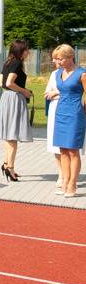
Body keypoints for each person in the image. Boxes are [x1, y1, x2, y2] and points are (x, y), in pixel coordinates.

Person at [49, 44, 85, 198]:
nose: (58, 62)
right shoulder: (57, 74)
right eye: (56, 59)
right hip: (60, 113)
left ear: (71, 57)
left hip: (75, 114)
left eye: (60, 59)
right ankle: (64, 181)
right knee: (62, 150)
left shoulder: (82, 74)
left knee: (73, 150)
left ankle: (72, 183)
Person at [0, 39, 33, 182]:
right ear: (21, 51)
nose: (28, 52)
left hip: (6, 98)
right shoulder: (17, 63)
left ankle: (6, 164)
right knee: (13, 136)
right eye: (27, 49)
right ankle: (10, 168)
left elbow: (0, 83)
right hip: (14, 99)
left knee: (8, 134)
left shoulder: (7, 62)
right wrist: (24, 91)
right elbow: (8, 83)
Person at [45, 53, 63, 191]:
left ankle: (68, 175)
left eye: (56, 58)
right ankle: (61, 174)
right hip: (54, 109)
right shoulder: (54, 73)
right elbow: (47, 93)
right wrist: (52, 93)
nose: (54, 61)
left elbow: (74, 92)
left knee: (68, 146)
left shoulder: (77, 73)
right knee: (55, 144)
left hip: (68, 108)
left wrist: (55, 92)